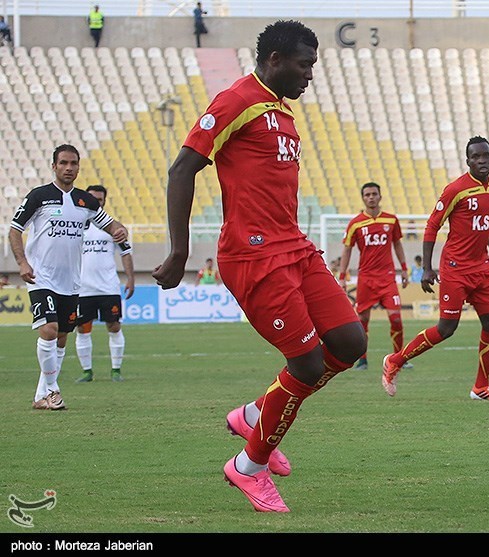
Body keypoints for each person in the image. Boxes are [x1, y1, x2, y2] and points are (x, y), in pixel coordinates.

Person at [152, 20, 366, 513]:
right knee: (306, 363)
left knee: (350, 343)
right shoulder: (236, 100)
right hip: (254, 256)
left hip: (295, 248)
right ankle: (248, 466)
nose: (310, 74)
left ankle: (255, 415)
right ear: (274, 60)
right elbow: (182, 168)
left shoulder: (281, 110)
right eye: (304, 64)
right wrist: (180, 251)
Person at [381, 136, 489, 401]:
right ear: (468, 161)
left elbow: (486, 224)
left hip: (482, 268)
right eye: (476, 157)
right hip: (455, 269)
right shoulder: (456, 189)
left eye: (485, 155)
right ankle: (395, 360)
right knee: (446, 328)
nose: (482, 160)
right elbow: (432, 225)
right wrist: (427, 268)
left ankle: (481, 386)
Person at [9, 145, 128, 411]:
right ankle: (53, 391)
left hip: (72, 282)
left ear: (78, 167)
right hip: (41, 277)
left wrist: (120, 230)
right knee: (49, 330)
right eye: (63, 163)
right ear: (54, 166)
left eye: (73, 163)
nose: (68, 168)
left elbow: (111, 225)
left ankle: (40, 396)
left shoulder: (86, 201)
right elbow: (15, 229)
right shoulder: (39, 196)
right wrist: (22, 262)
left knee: (61, 337)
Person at [339, 182, 410, 372]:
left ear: (380, 196)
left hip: (387, 278)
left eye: (374, 194)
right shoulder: (355, 223)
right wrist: (342, 276)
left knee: (396, 318)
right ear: (363, 198)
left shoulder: (391, 220)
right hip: (366, 279)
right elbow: (347, 249)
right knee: (362, 320)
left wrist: (404, 269)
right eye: (367, 194)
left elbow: (397, 244)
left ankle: (399, 358)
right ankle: (362, 360)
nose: (371, 197)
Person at [74, 185, 134, 384]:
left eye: (100, 200)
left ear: (104, 202)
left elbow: (125, 252)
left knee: (114, 326)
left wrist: (130, 278)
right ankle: (87, 371)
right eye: (93, 198)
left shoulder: (112, 228)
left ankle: (116, 370)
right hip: (82, 288)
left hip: (108, 287)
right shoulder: (76, 225)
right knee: (83, 329)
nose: (96, 202)